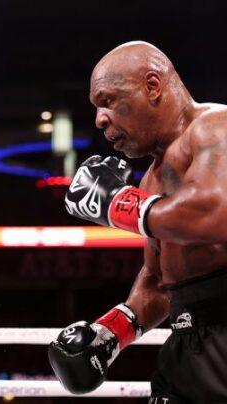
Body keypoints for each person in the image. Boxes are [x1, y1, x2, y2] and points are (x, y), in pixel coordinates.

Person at [48, 41, 227, 403]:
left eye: (108, 100)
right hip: (186, 347)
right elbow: (160, 282)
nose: (100, 119)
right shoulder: (151, 180)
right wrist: (111, 333)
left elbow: (215, 212)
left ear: (152, 86)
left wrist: (116, 203)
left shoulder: (216, 126)